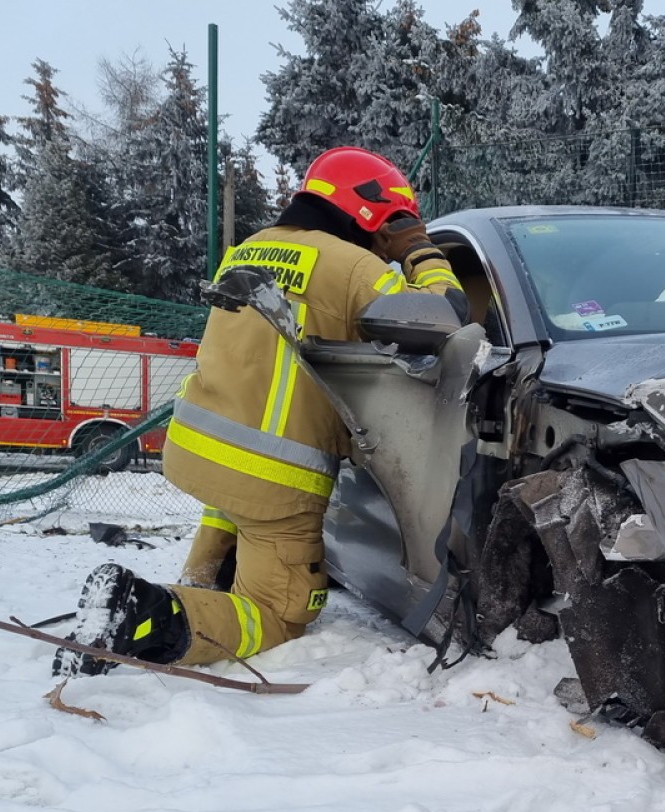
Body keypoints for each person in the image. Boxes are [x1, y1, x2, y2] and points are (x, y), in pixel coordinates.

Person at [54, 146, 466, 677]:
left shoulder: (246, 249)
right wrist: (420, 250)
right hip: (274, 476)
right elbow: (447, 319)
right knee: (279, 613)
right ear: (375, 213)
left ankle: (200, 582)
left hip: (198, 447)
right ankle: (146, 615)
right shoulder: (354, 266)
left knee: (236, 503)